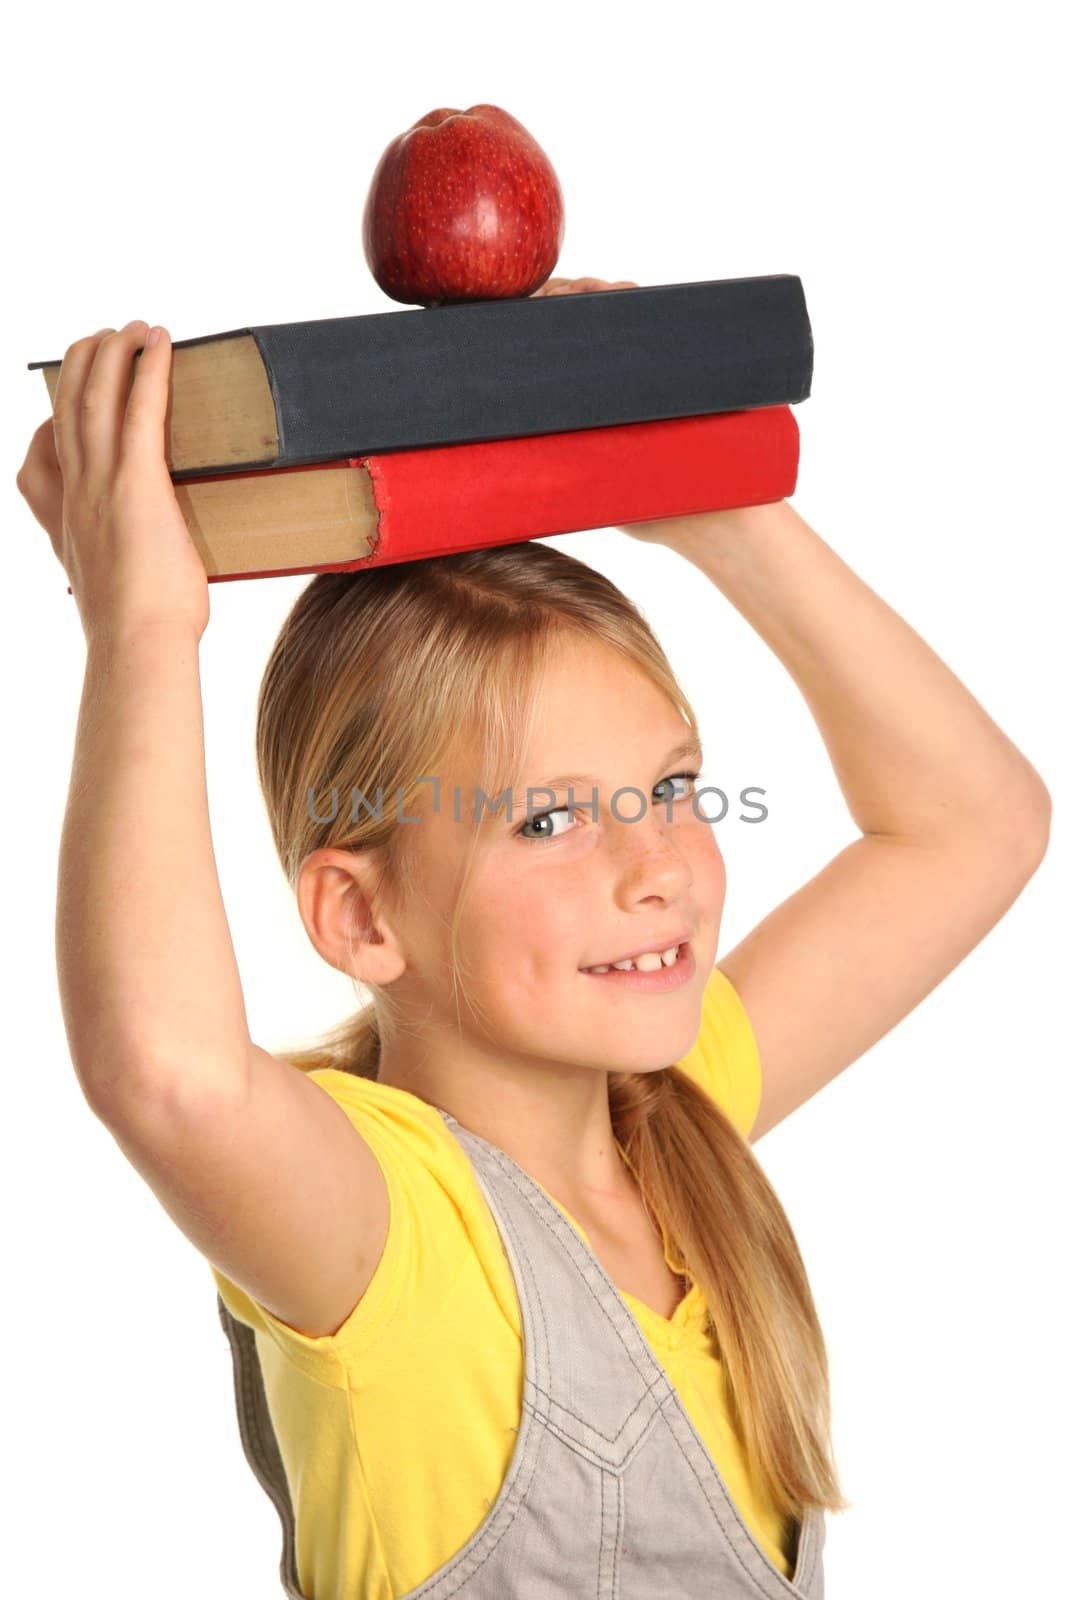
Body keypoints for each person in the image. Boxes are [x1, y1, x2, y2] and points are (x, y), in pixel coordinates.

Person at [16, 283, 1051, 1600]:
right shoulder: (388, 1228)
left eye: (672, 788)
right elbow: (170, 1076)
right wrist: (143, 629)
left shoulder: (673, 1127)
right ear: (362, 916)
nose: (657, 865)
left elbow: (980, 825)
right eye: (553, 818)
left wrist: (715, 504)